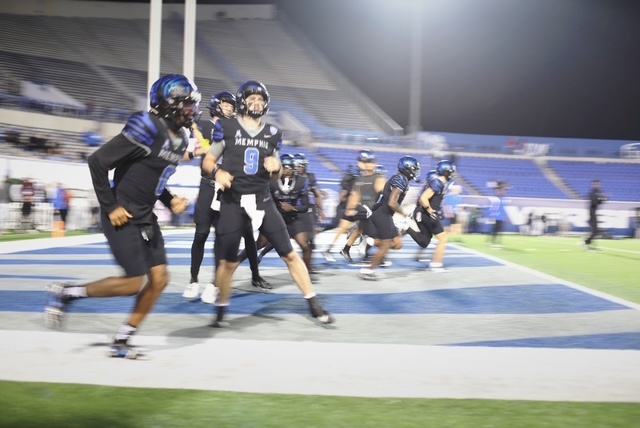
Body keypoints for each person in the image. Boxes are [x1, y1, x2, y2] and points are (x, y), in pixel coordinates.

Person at [44, 74, 201, 359]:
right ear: (167, 104)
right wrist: (110, 206)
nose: (191, 110)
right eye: (185, 104)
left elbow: (154, 178)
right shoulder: (147, 126)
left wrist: (170, 199)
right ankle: (68, 293)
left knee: (160, 279)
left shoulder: (181, 140)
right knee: (133, 282)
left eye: (192, 104)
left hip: (145, 215)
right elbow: (98, 161)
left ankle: (122, 339)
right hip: (122, 212)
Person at [201, 80, 333, 327]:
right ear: (242, 101)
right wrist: (217, 172)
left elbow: (276, 173)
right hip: (233, 201)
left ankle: (314, 304)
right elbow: (208, 161)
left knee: (290, 255)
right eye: (251, 99)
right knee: (228, 262)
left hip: (263, 200)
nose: (256, 103)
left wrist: (278, 168)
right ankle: (220, 311)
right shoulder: (228, 127)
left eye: (260, 100)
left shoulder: (273, 133)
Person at [182, 91, 271, 303]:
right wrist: (197, 152)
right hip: (208, 184)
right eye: (226, 104)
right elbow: (183, 156)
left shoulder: (235, 129)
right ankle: (193, 280)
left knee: (224, 239)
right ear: (216, 105)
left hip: (228, 189)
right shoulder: (203, 126)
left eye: (232, 104)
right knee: (201, 234)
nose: (230, 108)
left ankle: (214, 283)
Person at [358, 155, 421, 280]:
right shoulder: (401, 179)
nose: (416, 171)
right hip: (382, 213)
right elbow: (392, 203)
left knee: (397, 244)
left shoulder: (401, 178)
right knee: (386, 245)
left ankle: (371, 241)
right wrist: (403, 212)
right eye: (414, 169)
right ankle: (368, 270)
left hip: (384, 213)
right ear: (408, 168)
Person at [405, 160, 456, 272]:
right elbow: (423, 198)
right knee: (443, 238)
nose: (453, 174)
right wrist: (430, 210)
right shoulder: (437, 182)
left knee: (424, 242)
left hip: (423, 213)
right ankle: (436, 264)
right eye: (451, 171)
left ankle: (405, 227)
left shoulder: (439, 183)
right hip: (428, 214)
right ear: (446, 171)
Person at [323, 150, 374, 262]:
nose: (368, 164)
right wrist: (350, 204)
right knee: (343, 229)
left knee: (363, 229)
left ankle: (357, 252)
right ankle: (329, 250)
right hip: (348, 206)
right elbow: (343, 195)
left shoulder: (363, 174)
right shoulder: (354, 173)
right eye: (367, 161)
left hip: (357, 206)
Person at [584, 179, 607, 251]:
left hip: (594, 213)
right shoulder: (592, 193)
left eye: (599, 184)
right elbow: (594, 203)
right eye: (597, 184)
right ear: (593, 185)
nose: (598, 186)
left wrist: (603, 199)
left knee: (595, 231)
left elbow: (599, 203)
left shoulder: (598, 193)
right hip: (592, 213)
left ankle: (587, 242)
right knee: (595, 231)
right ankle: (586, 243)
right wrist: (601, 198)